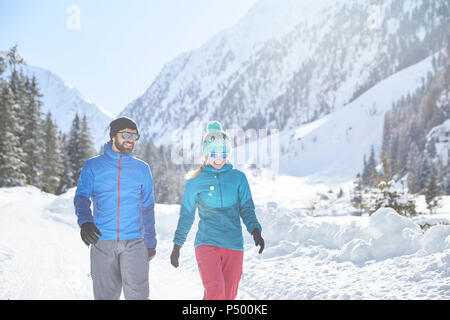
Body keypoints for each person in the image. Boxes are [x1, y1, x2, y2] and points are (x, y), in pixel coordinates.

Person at [170, 120, 264, 300]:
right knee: (216, 293)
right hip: (207, 243)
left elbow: (246, 208)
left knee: (228, 297)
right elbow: (187, 215)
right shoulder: (196, 181)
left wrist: (255, 230)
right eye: (213, 153)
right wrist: (177, 245)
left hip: (234, 245)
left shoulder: (238, 178)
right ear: (206, 154)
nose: (219, 158)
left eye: (223, 153)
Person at [74, 116, 156, 300]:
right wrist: (85, 221)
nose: (131, 140)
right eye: (126, 134)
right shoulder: (93, 166)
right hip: (102, 241)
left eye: (135, 136)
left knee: (139, 297)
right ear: (113, 136)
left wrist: (150, 242)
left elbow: (148, 208)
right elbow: (81, 197)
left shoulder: (142, 169)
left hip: (135, 242)